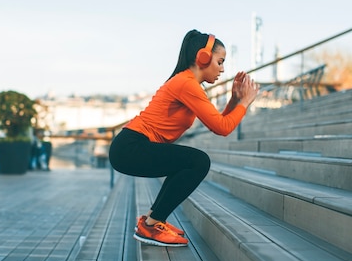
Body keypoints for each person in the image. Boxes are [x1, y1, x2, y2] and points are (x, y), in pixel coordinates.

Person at [109, 29, 260, 247]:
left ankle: (152, 221)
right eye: (220, 61)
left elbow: (218, 123)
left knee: (185, 163)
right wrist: (244, 103)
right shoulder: (186, 84)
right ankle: (152, 225)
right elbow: (223, 128)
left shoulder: (189, 84)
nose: (223, 69)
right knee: (198, 161)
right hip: (131, 146)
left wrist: (235, 101)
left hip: (131, 146)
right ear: (203, 58)